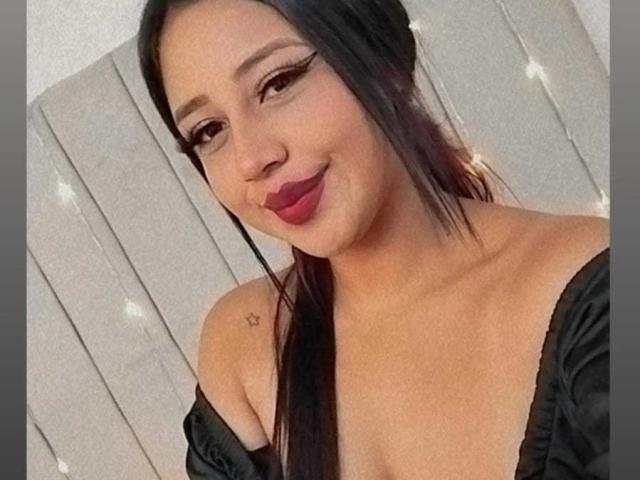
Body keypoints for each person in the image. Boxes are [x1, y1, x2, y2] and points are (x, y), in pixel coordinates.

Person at [137, 0, 610, 478]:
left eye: (278, 83)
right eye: (209, 130)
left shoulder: (592, 294)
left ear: (382, 62)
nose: (252, 158)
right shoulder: (245, 344)